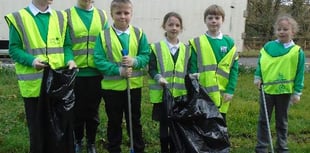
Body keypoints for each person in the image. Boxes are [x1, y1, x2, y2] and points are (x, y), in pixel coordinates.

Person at [4, 0, 76, 152]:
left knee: (59, 129)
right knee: (38, 131)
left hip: (58, 86)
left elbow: (67, 45)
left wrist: (69, 59)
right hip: (34, 87)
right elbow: (14, 49)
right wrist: (31, 61)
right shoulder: (19, 18)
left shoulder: (61, 17)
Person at [93, 0, 150, 152]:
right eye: (118, 13)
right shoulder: (104, 36)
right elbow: (98, 60)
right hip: (112, 88)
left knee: (134, 120)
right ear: (112, 14)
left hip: (133, 86)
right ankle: (114, 148)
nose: (122, 16)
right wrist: (118, 71)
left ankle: (137, 148)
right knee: (114, 121)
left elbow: (146, 55)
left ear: (131, 14)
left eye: (126, 13)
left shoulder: (139, 33)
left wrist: (135, 61)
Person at [254, 15, 305, 153]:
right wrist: (257, 77)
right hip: (267, 90)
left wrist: (297, 92)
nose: (282, 32)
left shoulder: (297, 51)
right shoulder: (268, 47)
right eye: (279, 29)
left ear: (293, 31)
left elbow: (300, 73)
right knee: (263, 120)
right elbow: (261, 62)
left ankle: (282, 147)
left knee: (282, 121)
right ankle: (261, 147)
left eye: (285, 29)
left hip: (285, 91)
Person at [65, 0, 108, 153]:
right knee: (76, 110)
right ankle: (77, 140)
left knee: (93, 111)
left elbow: (107, 42)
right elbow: (66, 44)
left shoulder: (102, 15)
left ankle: (91, 142)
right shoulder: (67, 15)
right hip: (75, 72)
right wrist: (69, 60)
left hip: (96, 73)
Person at [188, 4, 239, 122]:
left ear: (223, 20)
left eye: (217, 18)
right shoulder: (197, 42)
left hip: (223, 94)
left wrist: (230, 90)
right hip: (203, 94)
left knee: (220, 124)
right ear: (205, 20)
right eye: (210, 18)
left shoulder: (229, 43)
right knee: (203, 124)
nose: (214, 21)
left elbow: (234, 69)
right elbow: (193, 67)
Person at [148, 12, 189, 153]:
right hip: (162, 97)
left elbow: (188, 71)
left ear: (181, 28)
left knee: (176, 128)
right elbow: (151, 68)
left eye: (177, 25)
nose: (174, 28)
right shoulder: (156, 47)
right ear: (164, 26)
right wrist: (158, 77)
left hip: (180, 96)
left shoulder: (186, 50)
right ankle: (164, 149)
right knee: (164, 128)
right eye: (170, 24)